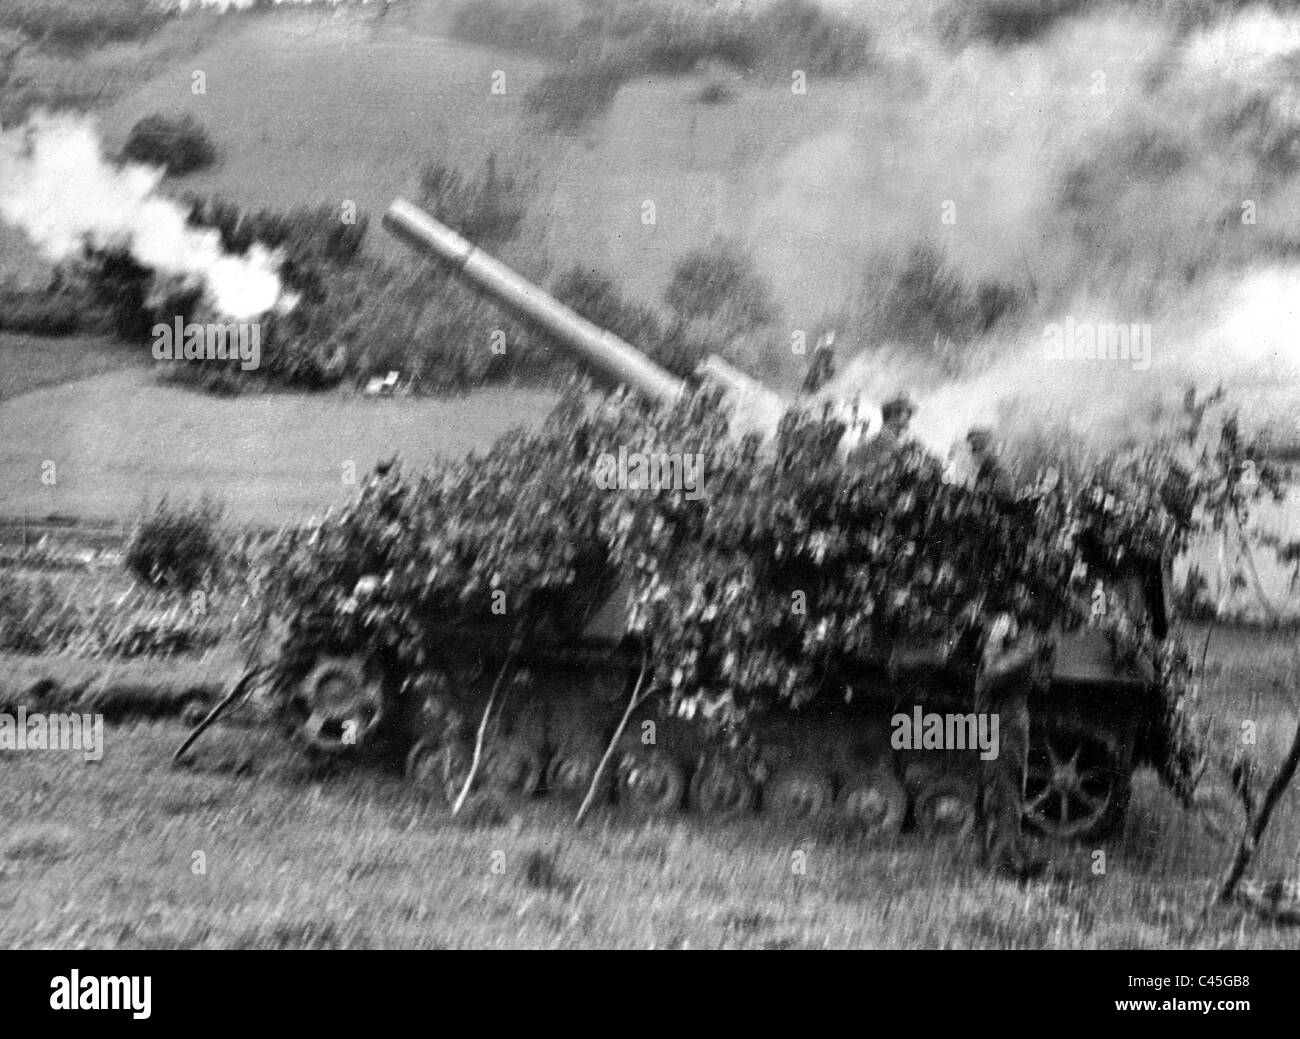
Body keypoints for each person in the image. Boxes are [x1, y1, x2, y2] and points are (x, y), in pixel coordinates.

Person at [846, 394, 915, 471]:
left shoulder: (894, 443)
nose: (907, 423)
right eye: (907, 415)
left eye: (909, 415)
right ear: (892, 416)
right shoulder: (887, 442)